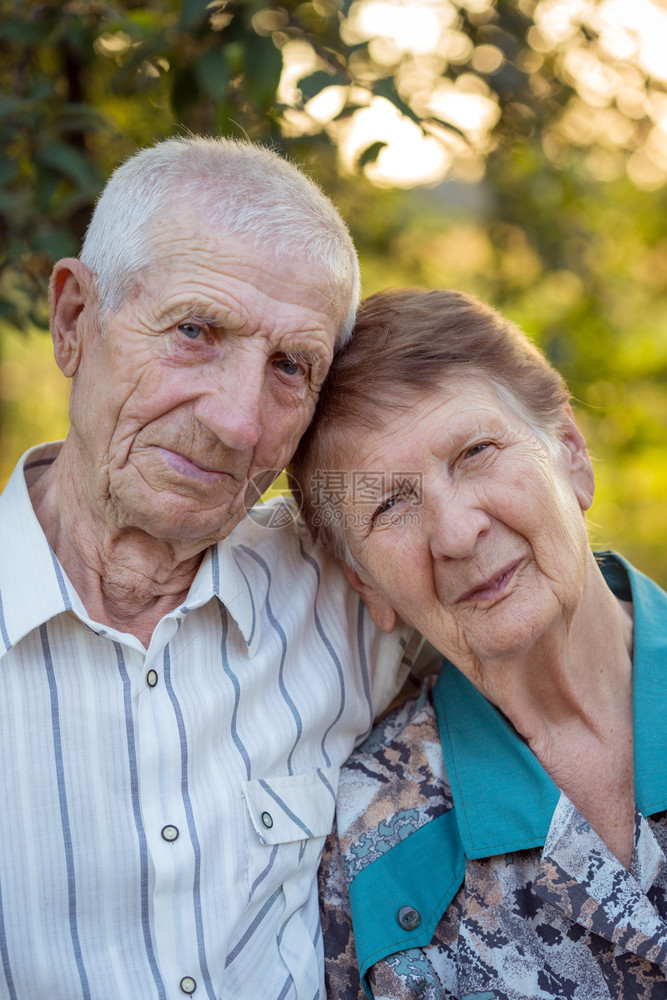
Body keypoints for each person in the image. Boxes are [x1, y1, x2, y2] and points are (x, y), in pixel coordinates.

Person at [0, 138, 422, 1000]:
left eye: (289, 369)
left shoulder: (352, 598)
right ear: (75, 320)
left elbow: (568, 625)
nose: (236, 423)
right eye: (195, 331)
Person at [291, 287, 667, 999]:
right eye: (388, 504)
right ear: (364, 583)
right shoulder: (362, 836)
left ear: (570, 455)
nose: (457, 534)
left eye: (475, 451)